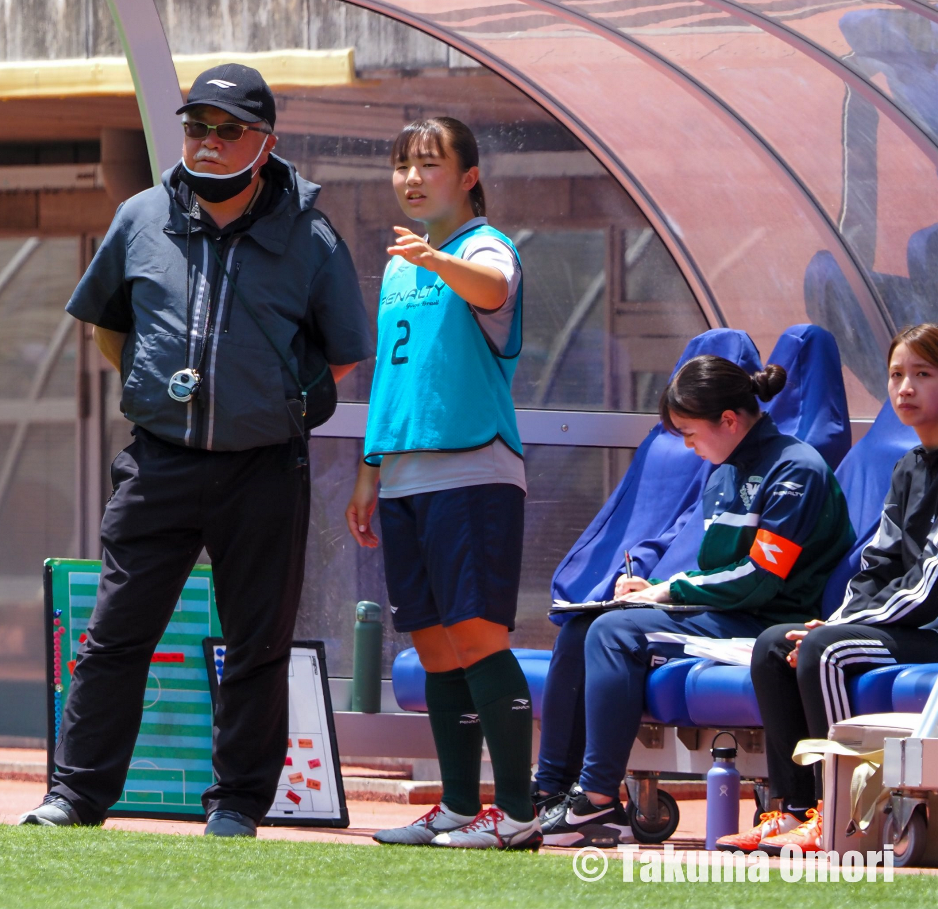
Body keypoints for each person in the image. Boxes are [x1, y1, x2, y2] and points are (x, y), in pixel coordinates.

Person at [19, 64, 373, 836]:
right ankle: (75, 798)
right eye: (196, 127)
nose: (207, 143)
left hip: (264, 466)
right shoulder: (140, 217)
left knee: (256, 643)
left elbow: (343, 352)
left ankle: (238, 805)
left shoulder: (311, 235)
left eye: (227, 130)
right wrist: (159, 388)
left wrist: (266, 399)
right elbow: (110, 323)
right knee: (116, 635)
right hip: (160, 460)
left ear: (265, 142)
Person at [540, 356, 854, 847]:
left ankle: (599, 802)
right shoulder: (723, 472)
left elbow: (758, 579)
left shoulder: (797, 470)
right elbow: (717, 574)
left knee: (612, 631)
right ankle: (552, 792)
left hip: (770, 625)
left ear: (728, 421)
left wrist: (667, 590)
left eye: (689, 432)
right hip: (725, 617)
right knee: (581, 626)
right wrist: (649, 590)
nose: (687, 446)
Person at [344, 117, 538, 850]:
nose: (411, 177)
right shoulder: (400, 265)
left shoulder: (483, 247)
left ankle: (518, 816)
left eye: (428, 164)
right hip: (401, 478)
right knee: (432, 647)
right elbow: (392, 378)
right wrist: (368, 471)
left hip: (473, 472)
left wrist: (438, 259)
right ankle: (458, 806)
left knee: (478, 637)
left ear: (469, 176)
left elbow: (492, 287)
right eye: (401, 165)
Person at [719, 324, 938, 855]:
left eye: (922, 374)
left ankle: (837, 813)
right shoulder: (910, 465)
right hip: (903, 624)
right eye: (895, 375)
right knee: (776, 644)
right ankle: (788, 810)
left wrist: (841, 627)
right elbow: (879, 562)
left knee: (825, 649)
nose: (904, 387)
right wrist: (839, 615)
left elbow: (931, 581)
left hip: (929, 627)